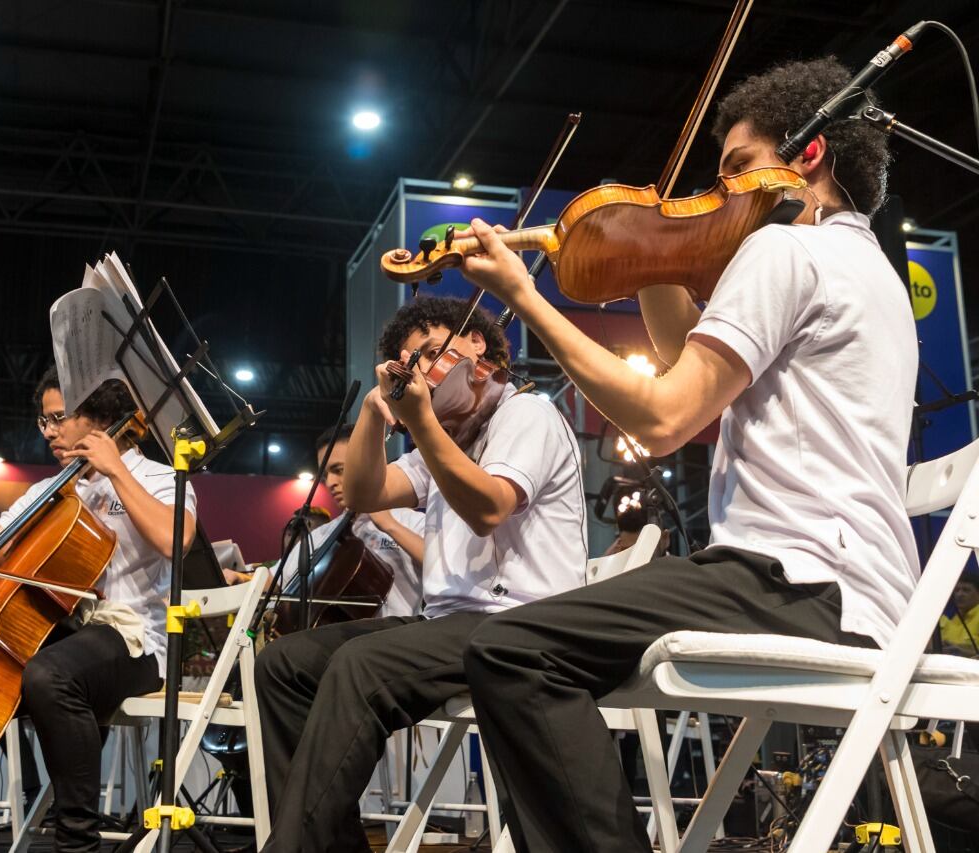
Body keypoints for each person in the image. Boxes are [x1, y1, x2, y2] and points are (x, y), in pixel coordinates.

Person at [457, 57, 917, 851]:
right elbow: (689, 379)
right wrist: (654, 256)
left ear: (807, 154)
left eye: (737, 167)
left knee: (507, 649)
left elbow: (664, 417)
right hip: (860, 592)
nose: (721, 191)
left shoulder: (786, 254)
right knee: (522, 649)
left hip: (794, 580)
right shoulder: (867, 264)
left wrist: (526, 297)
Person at [255, 295, 588, 851]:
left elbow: (486, 510)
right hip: (448, 625)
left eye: (434, 353)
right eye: (413, 364)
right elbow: (363, 494)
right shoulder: (446, 434)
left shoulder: (525, 413)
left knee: (359, 664)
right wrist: (370, 413)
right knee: (284, 665)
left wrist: (423, 422)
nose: (428, 373)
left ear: (476, 344)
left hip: (522, 623)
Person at [0, 368, 196, 853]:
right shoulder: (51, 489)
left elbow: (179, 540)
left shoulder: (158, 477)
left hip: (137, 640)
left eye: (58, 418)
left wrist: (116, 471)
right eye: (43, 421)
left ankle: (77, 843)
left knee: (49, 676)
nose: (48, 432)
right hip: (70, 634)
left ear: (103, 418)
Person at [274, 423, 426, 618]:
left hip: (400, 639)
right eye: (325, 474)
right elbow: (276, 579)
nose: (330, 482)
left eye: (339, 470)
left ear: (369, 465)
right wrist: (240, 578)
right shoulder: (322, 535)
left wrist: (390, 525)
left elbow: (442, 567)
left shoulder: (411, 522)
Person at [940, 569, 979, 656]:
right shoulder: (948, 619)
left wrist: (962, 651)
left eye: (966, 590)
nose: (959, 594)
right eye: (957, 590)